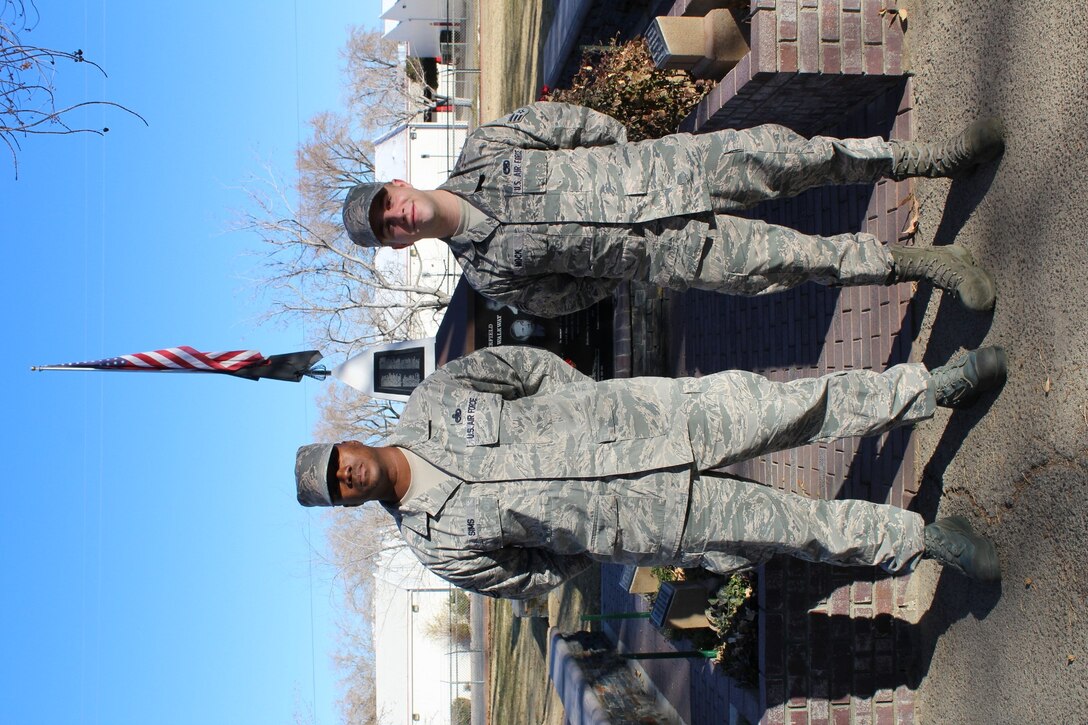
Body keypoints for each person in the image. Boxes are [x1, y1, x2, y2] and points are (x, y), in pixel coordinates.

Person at [295, 345, 1006, 599]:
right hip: (653, 520)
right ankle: (922, 541)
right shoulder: (435, 545)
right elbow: (532, 575)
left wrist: (587, 400)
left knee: (801, 404)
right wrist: (596, 535)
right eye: (338, 489)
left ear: (346, 440)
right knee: (802, 528)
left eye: (338, 463)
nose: (348, 476)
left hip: (655, 418)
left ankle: (932, 388)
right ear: (345, 506)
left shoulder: (433, 399)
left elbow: (520, 367)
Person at [341, 102, 1004, 318]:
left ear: (398, 184)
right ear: (397, 246)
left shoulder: (488, 146)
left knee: (805, 159)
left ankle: (932, 158)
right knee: (800, 260)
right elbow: (574, 296)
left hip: (672, 168)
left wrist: (627, 158)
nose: (397, 216)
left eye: (387, 204)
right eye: (386, 229)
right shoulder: (491, 278)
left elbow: (573, 124)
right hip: (670, 252)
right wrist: (633, 258)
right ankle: (929, 263)